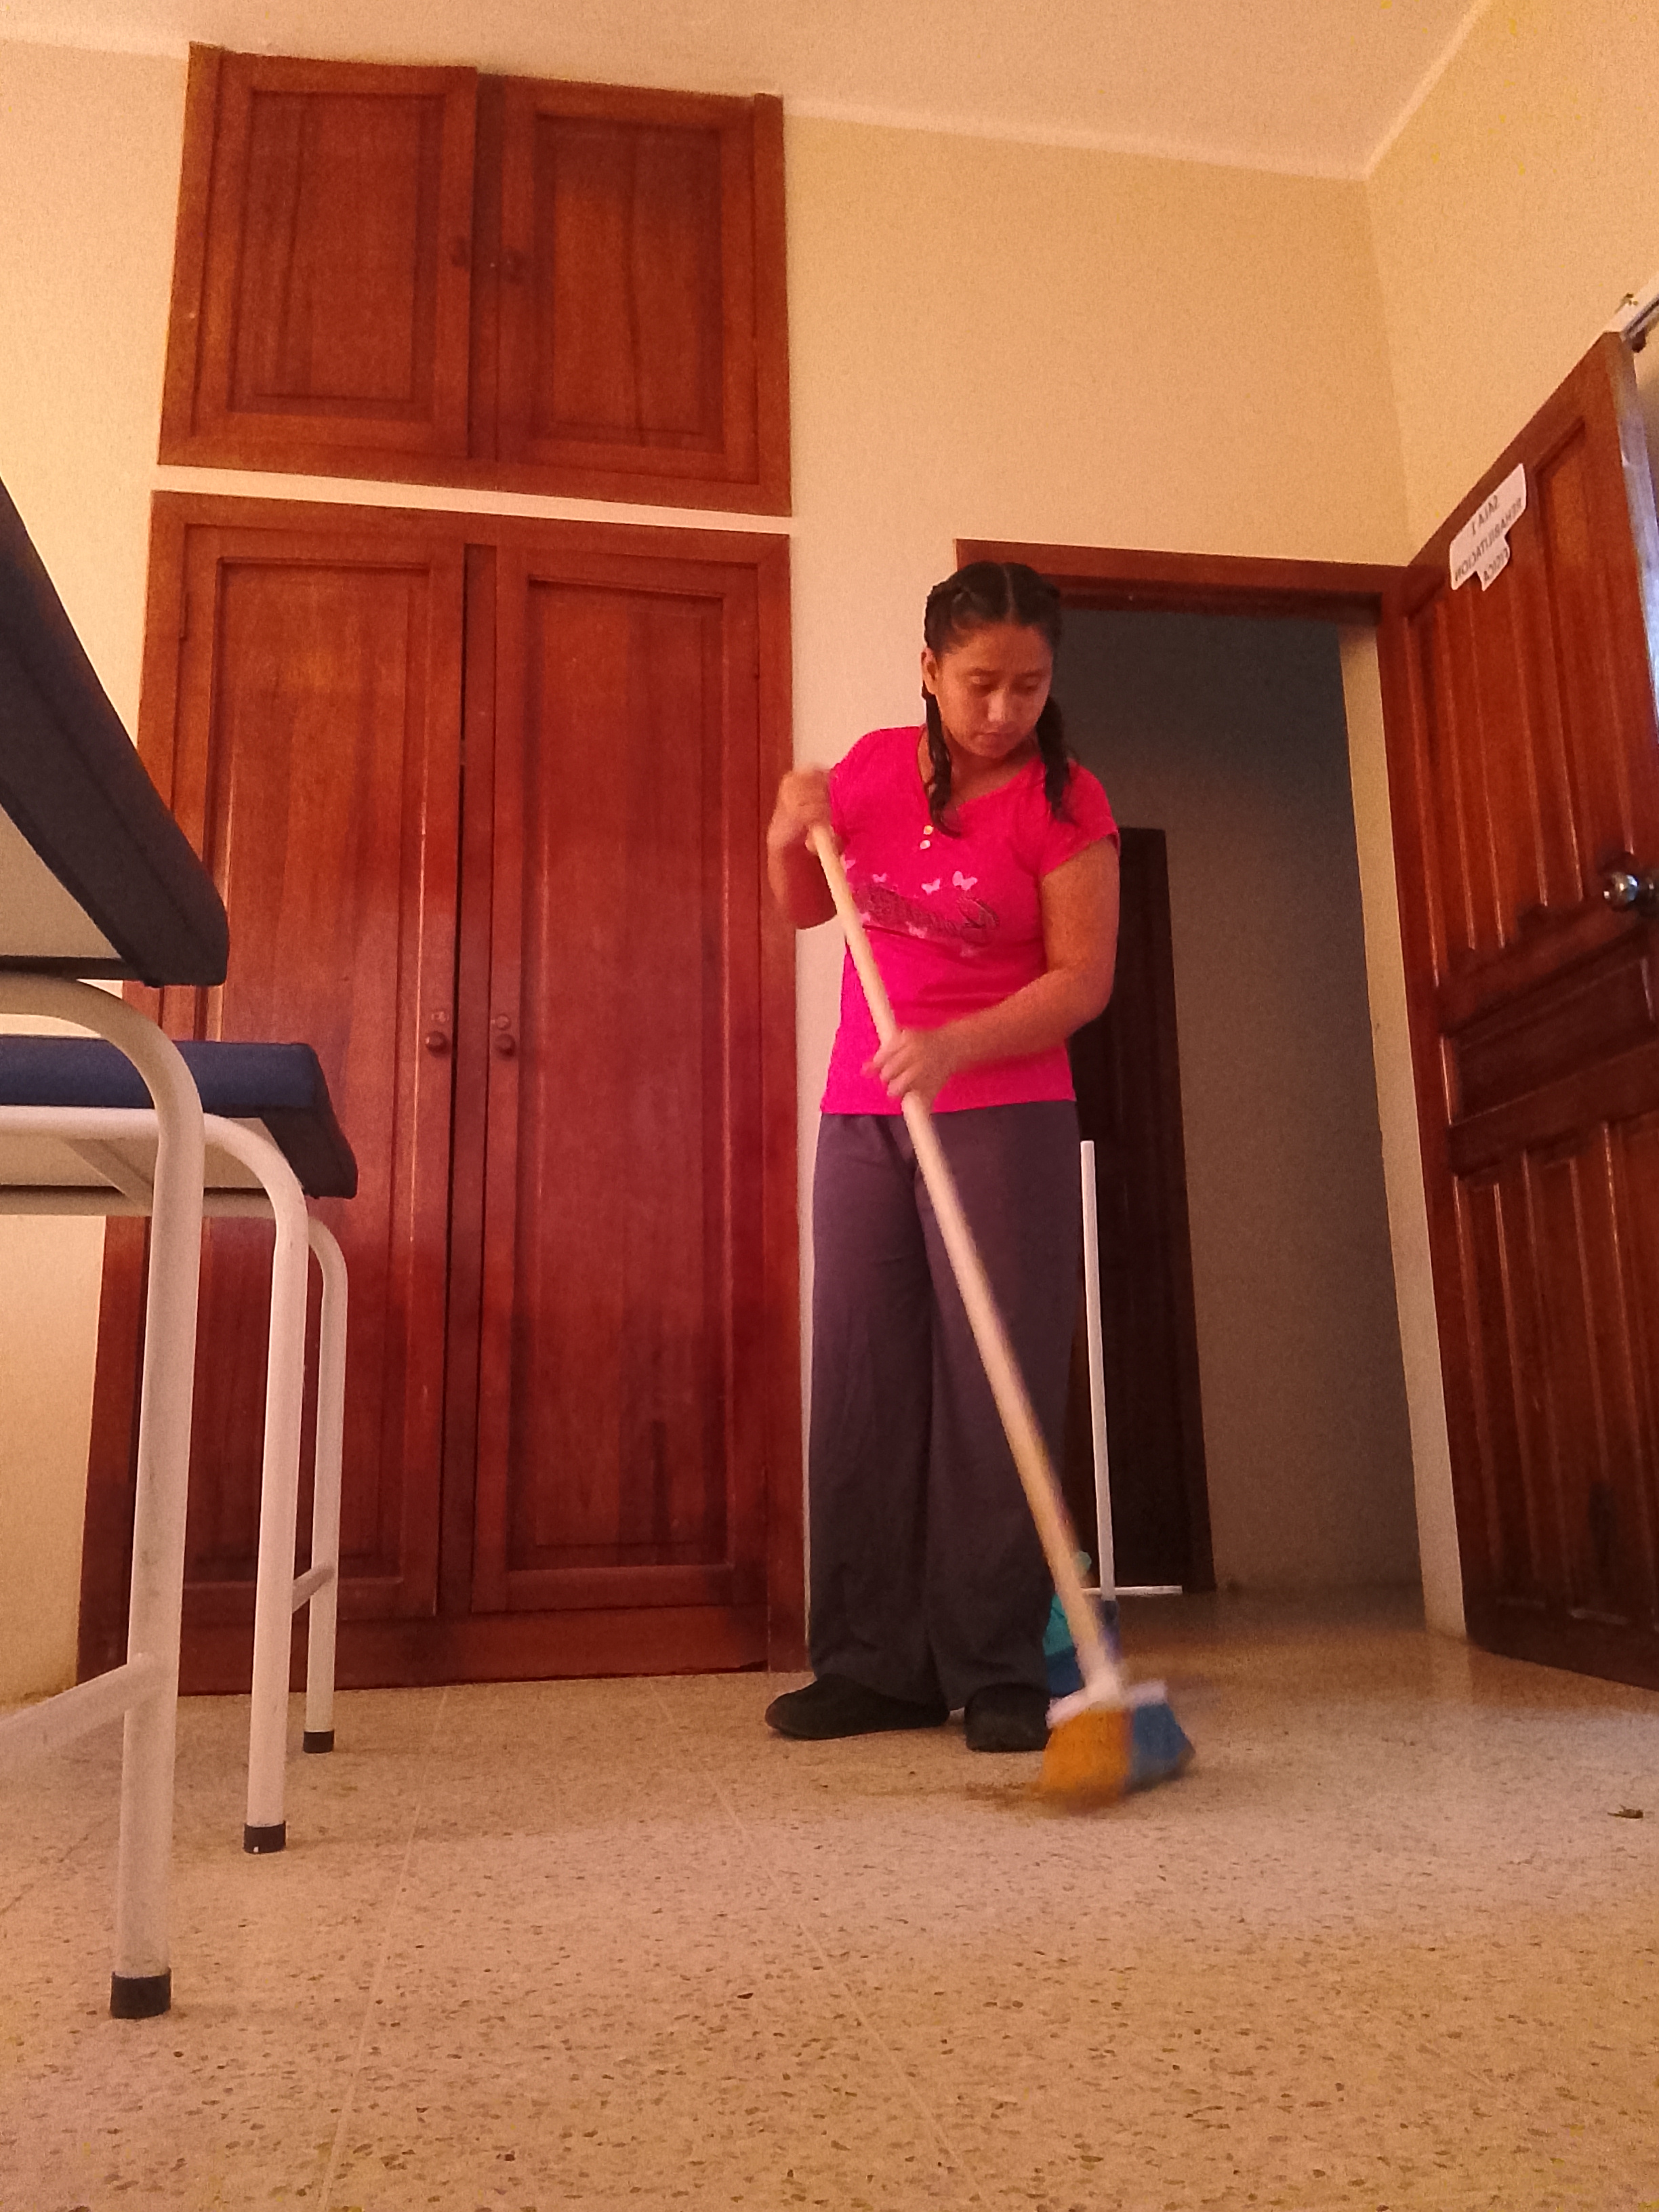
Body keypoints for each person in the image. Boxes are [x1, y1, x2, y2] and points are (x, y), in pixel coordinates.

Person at [764, 560, 1120, 1753]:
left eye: (1029, 685)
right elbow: (805, 908)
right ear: (929, 670)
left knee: (993, 1383)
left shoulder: (1067, 805)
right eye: (979, 684)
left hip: (1005, 1110)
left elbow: (1083, 979)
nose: (1003, 710)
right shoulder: (873, 771)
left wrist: (958, 1044)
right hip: (864, 1110)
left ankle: (996, 1662)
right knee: (863, 1372)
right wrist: (789, 831)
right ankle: (873, 1664)